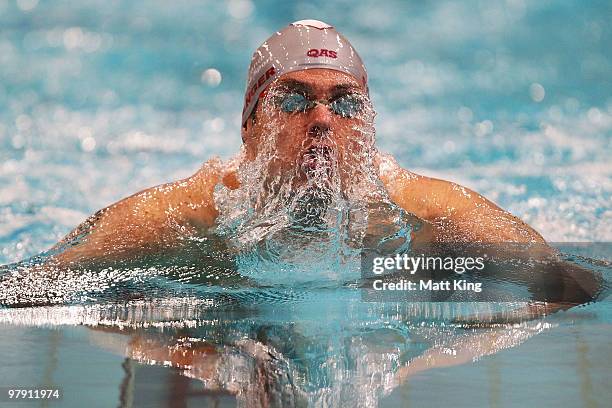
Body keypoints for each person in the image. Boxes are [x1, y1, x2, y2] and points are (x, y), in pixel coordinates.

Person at [47, 19, 546, 270]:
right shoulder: (180, 219)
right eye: (294, 100)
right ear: (249, 126)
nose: (323, 120)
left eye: (345, 104)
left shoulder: (427, 213)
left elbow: (565, 280)